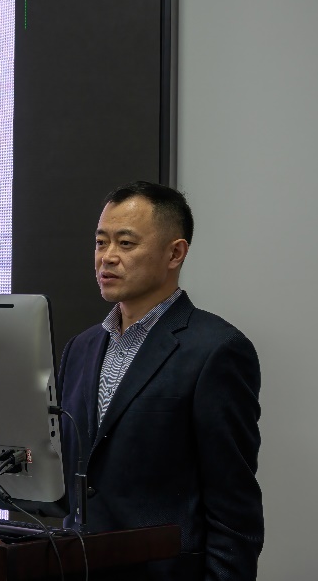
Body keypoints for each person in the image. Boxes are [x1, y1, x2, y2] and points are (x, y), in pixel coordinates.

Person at [56, 181, 264, 580]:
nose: (107, 257)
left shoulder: (216, 350)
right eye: (100, 242)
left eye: (126, 243)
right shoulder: (80, 348)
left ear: (175, 253)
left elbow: (234, 509)